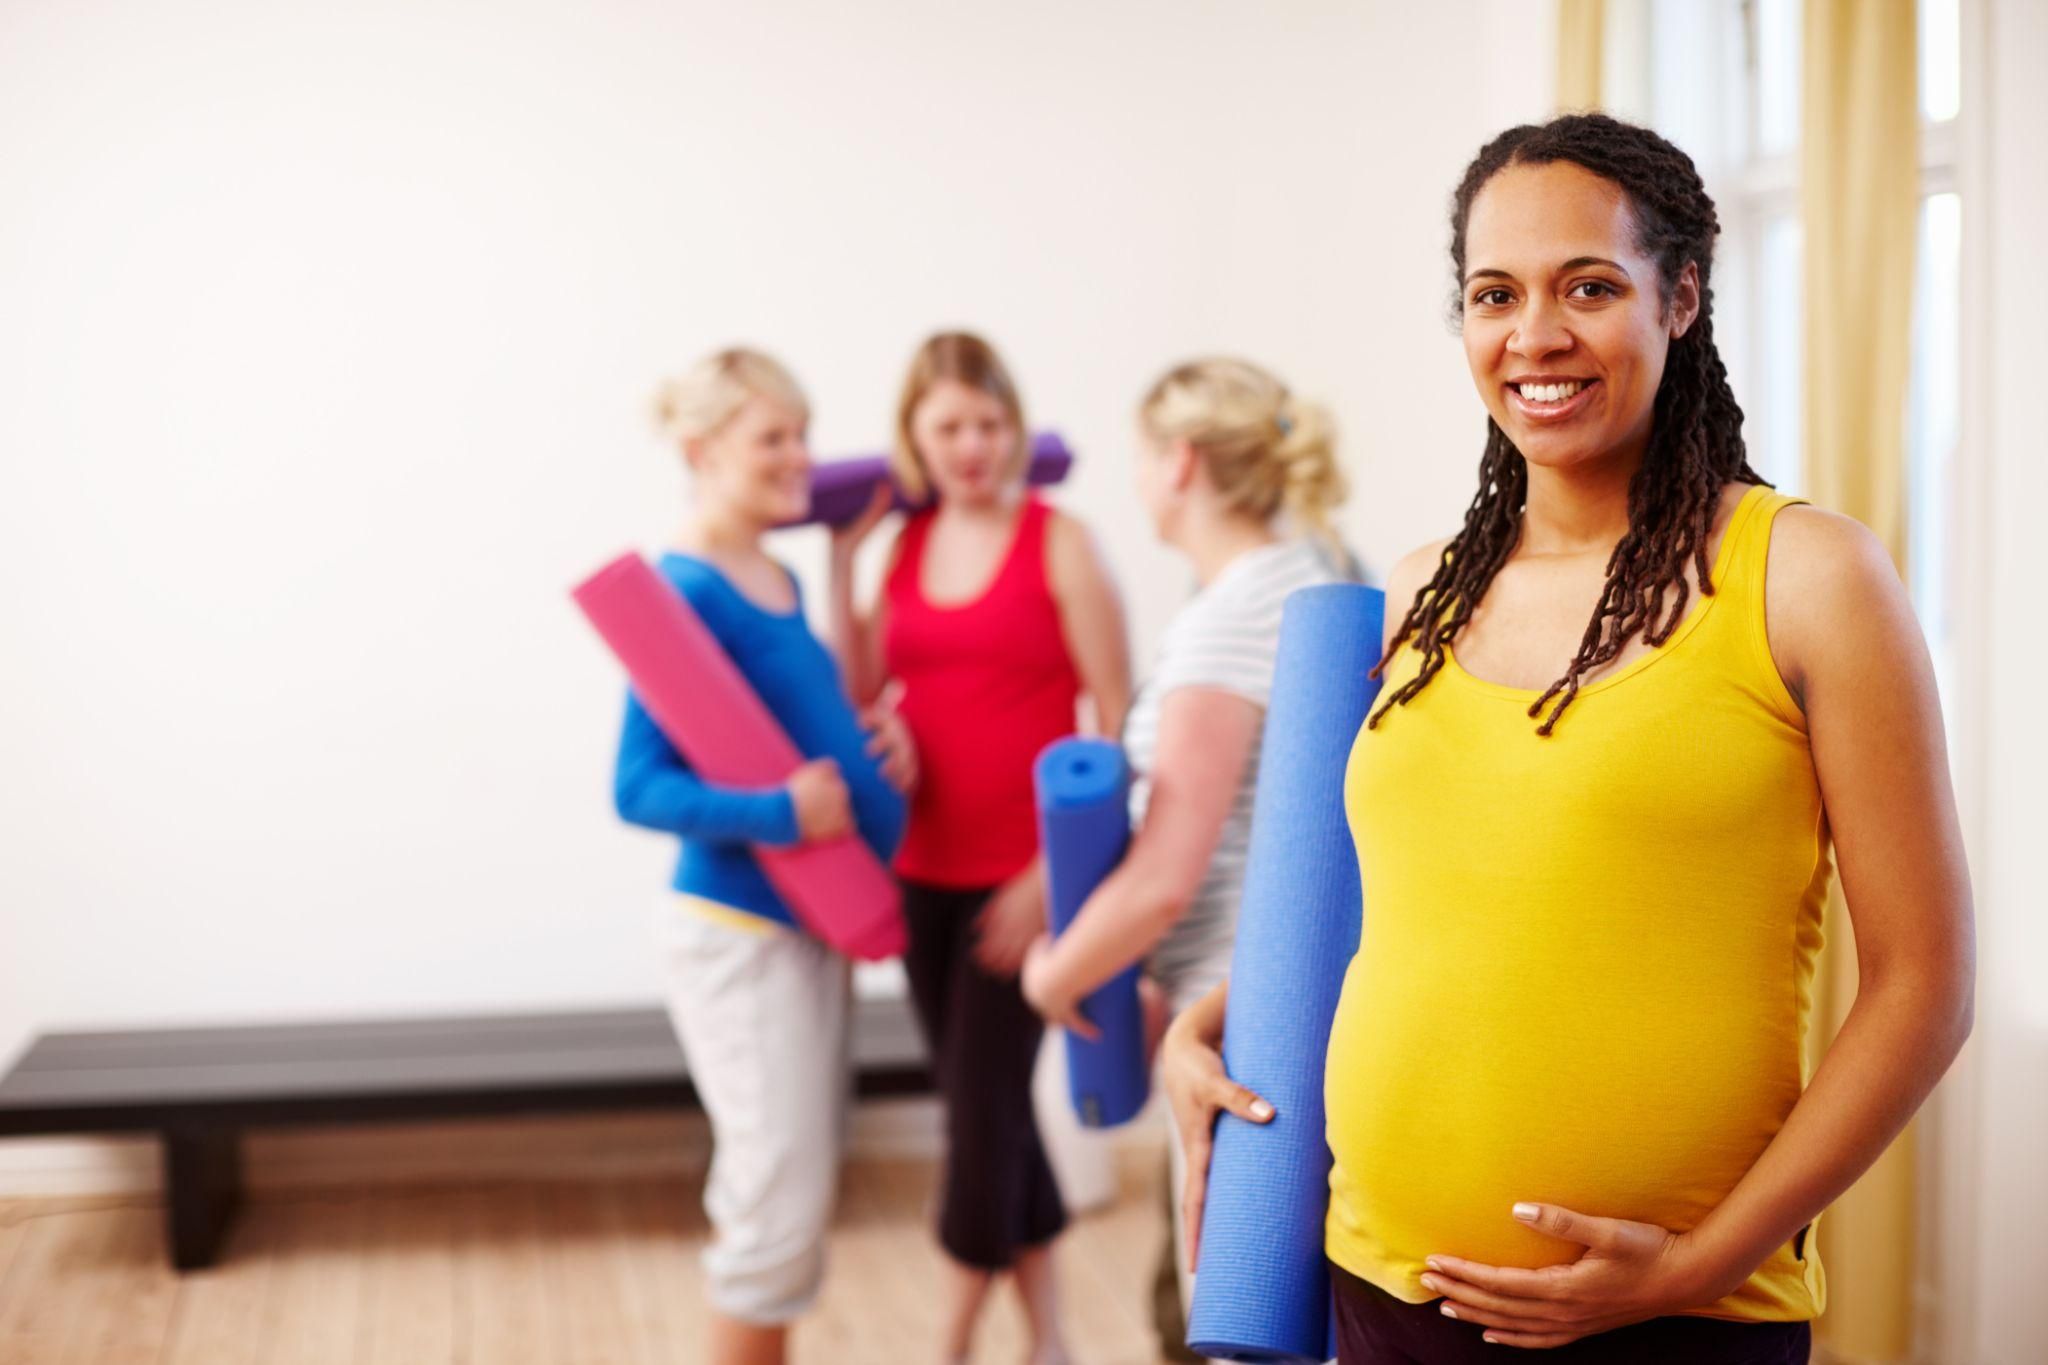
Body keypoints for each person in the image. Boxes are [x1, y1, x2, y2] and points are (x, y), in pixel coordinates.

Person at [1164, 113, 1975, 1364]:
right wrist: (1217, 1021)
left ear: (1682, 297)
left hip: (1673, 1315)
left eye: (1585, 287)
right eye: (1494, 294)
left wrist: (1700, 1263)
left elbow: (1922, 986)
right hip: (1375, 1277)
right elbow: (1422, 906)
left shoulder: (1804, 578)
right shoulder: (1417, 590)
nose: (1532, 335)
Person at [1017, 357, 1358, 1348]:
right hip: (1268, 1004)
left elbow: (1167, 875)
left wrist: (1055, 975)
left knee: (1243, 1323)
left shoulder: (1231, 616)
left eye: (1138, 458)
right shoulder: (1309, 578)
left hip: (1241, 1022)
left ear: (1177, 463)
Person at [829, 331, 1130, 1365]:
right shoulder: (899, 549)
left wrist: (1054, 873)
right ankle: (1047, 1338)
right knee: (982, 1107)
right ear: (913, 435)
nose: (970, 444)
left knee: (977, 1118)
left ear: (1015, 427)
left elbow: (1119, 717)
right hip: (921, 875)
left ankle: (947, 1344)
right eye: (947, 425)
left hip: (1022, 885)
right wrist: (837, 558)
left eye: (988, 422)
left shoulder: (1060, 541)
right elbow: (859, 695)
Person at [614, 347, 913, 1365]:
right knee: (772, 1197)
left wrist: (881, 748)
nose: (798, 457)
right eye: (771, 438)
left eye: (802, 434)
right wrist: (785, 814)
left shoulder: (773, 572)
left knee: (796, 1185)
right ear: (701, 450)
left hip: (808, 924)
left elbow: (804, 728)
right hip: (738, 932)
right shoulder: (684, 587)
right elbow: (637, 785)